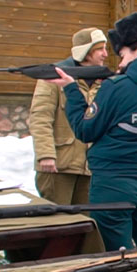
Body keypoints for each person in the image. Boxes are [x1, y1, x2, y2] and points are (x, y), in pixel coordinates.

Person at [49, 13, 137, 251]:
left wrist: (71, 89)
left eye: (122, 55)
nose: (119, 64)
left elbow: (85, 129)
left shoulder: (117, 87)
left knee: (116, 259)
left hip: (112, 184)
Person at [28, 27, 107, 205]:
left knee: (88, 223)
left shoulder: (103, 81)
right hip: (59, 165)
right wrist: (46, 155)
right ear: (86, 51)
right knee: (58, 221)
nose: (105, 54)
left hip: (91, 168)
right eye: (99, 49)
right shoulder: (53, 77)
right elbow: (40, 118)